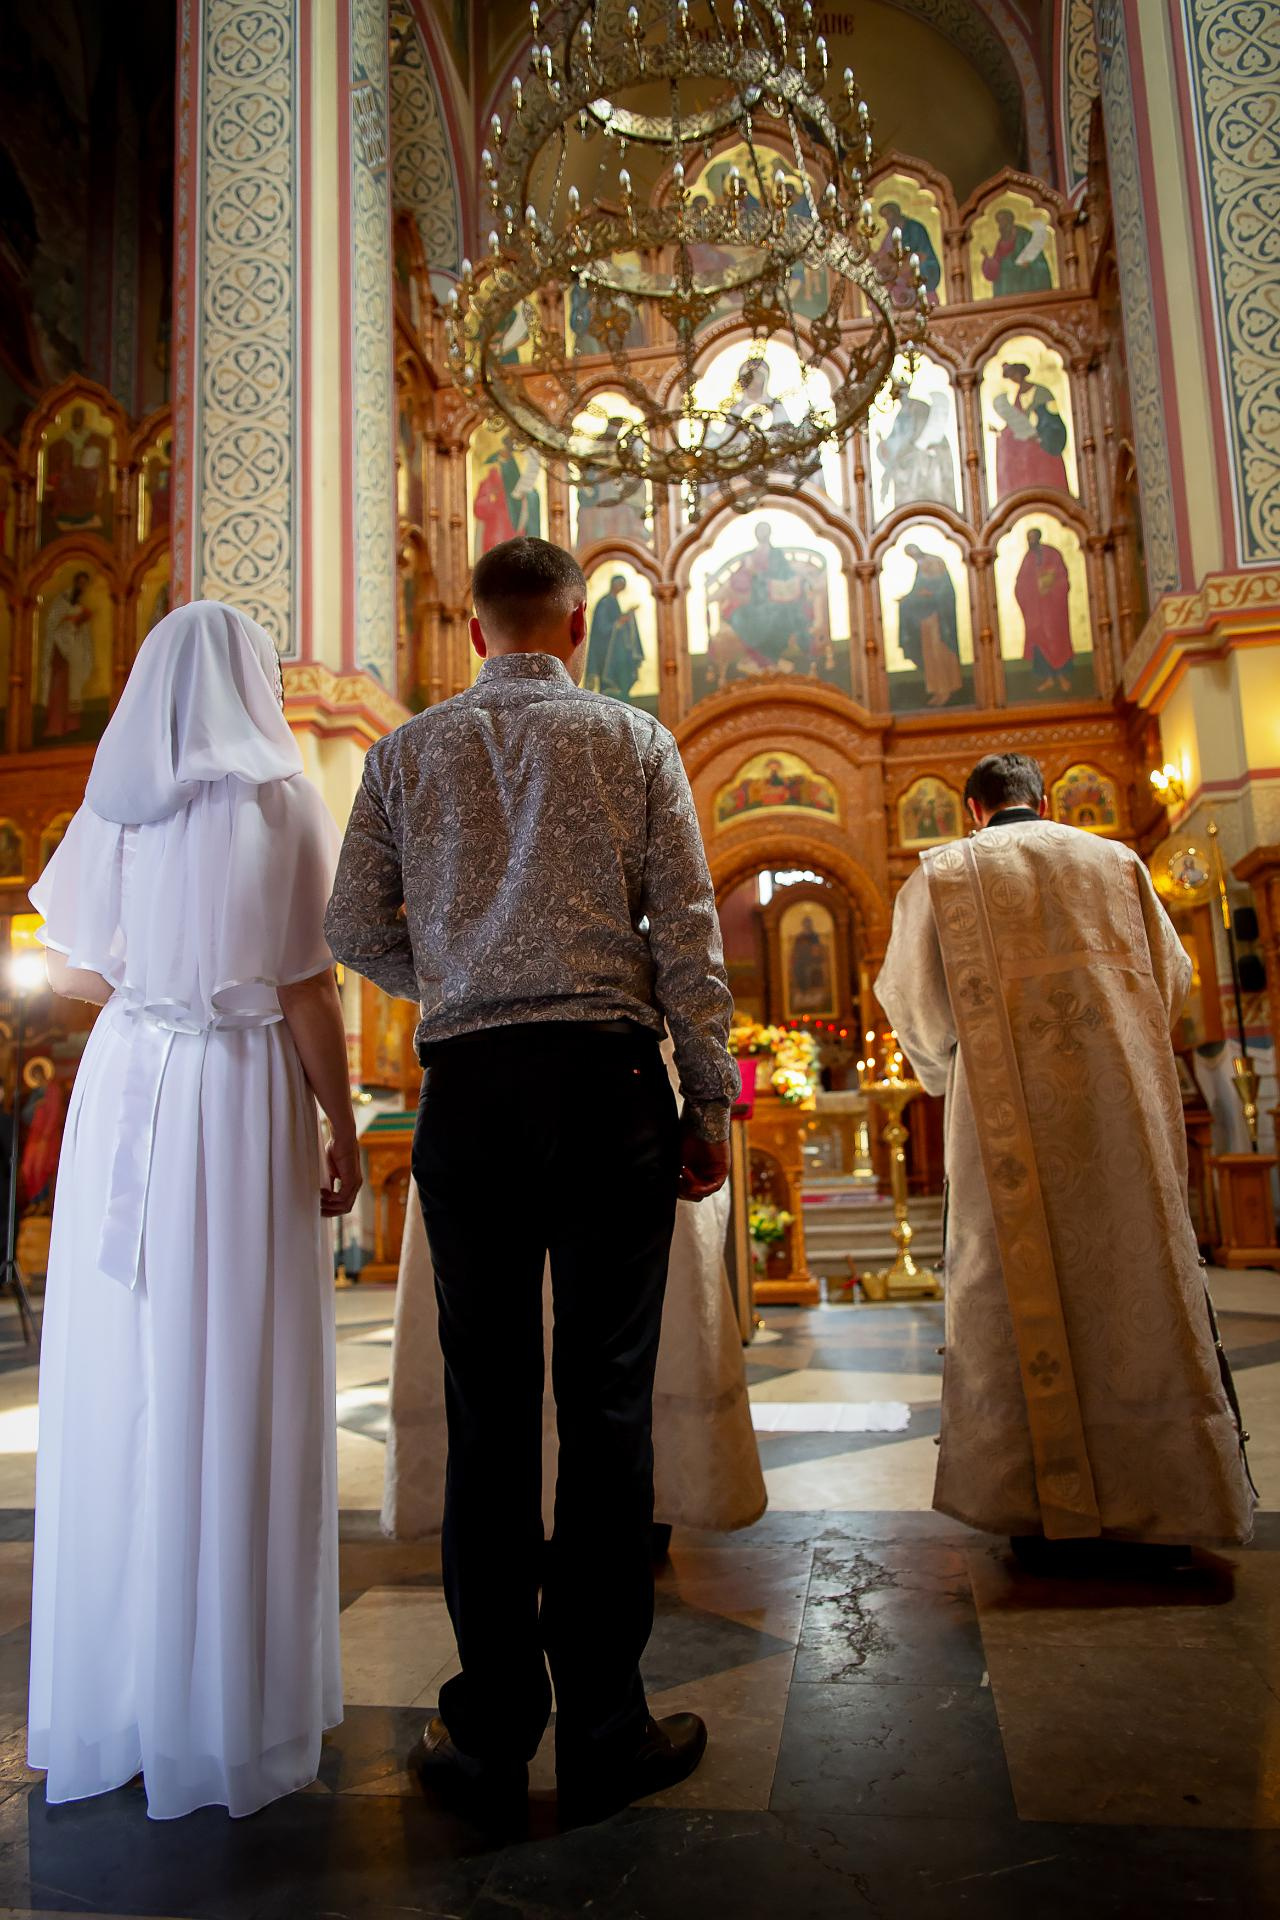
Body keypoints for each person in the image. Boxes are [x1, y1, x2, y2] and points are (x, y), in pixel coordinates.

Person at [325, 535, 737, 1826]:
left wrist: (446, 976)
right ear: (575, 627)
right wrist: (708, 1094)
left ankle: (492, 1728)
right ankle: (606, 1728)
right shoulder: (631, 741)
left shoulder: (402, 752)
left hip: (470, 1091)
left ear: (475, 629)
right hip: (606, 1081)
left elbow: (349, 927)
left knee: (489, 1411)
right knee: (605, 1407)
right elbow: (686, 923)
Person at [27, 601, 359, 1820]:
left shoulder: (114, 808)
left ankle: (112, 1696)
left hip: (129, 1080)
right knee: (238, 1359)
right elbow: (307, 985)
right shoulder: (280, 798)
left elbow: (69, 962)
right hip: (238, 1083)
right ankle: (228, 1706)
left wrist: (144, 984)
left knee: (128, 1367)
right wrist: (339, 1126)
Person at [875, 753, 1254, 1562]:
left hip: (1003, 1129)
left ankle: (1037, 1509)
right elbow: (1175, 978)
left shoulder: (944, 873)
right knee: (1136, 1280)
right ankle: (1161, 1498)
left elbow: (908, 999)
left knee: (1011, 1287)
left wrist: (952, 1073)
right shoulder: (1116, 861)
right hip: (1123, 1121)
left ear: (973, 810)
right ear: (1045, 803)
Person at [381, 1040, 765, 1547]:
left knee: (488, 1384)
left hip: (470, 1069)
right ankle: (601, 1595)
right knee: (609, 1377)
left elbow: (361, 953)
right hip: (613, 1072)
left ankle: (495, 1608)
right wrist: (709, 1112)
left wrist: (454, 978)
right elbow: (690, 969)